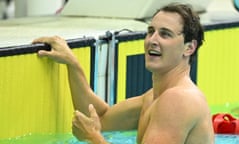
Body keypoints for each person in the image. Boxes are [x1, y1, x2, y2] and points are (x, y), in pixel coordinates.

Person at [32, 3, 214, 144]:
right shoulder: (153, 98)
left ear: (189, 48)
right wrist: (73, 65)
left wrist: (92, 137)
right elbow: (101, 118)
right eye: (151, 31)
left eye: (165, 34)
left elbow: (96, 129)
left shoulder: (179, 99)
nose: (152, 40)